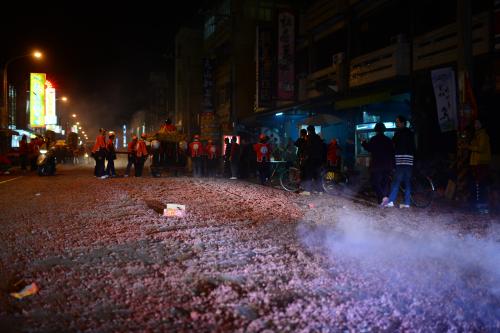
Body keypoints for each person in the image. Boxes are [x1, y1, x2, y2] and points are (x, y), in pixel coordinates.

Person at [382, 115, 415, 208]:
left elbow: (392, 145)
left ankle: (391, 201)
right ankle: (407, 203)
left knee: (396, 181)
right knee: (407, 182)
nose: (396, 124)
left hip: (401, 161)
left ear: (402, 123)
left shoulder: (398, 133)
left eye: (397, 122)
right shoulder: (410, 133)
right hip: (409, 161)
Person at [361, 123, 395, 205]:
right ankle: (382, 201)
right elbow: (392, 152)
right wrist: (393, 165)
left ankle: (383, 198)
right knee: (385, 183)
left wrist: (363, 143)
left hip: (377, 165)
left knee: (375, 182)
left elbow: (369, 148)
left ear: (376, 130)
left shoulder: (374, 139)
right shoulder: (388, 140)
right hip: (387, 165)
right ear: (384, 130)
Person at [464, 119, 491, 214]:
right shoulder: (477, 135)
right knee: (477, 184)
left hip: (481, 163)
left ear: (481, 124)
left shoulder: (483, 135)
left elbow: (481, 148)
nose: (475, 125)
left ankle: (482, 206)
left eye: (477, 123)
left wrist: (468, 146)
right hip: (476, 163)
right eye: (474, 123)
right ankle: (477, 205)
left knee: (481, 184)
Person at [302, 125, 325, 195]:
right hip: (319, 159)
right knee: (317, 174)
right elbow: (322, 148)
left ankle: (307, 191)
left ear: (308, 131)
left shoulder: (309, 137)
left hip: (311, 158)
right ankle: (320, 191)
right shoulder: (318, 137)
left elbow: (308, 148)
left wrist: (305, 156)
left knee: (308, 174)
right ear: (314, 130)